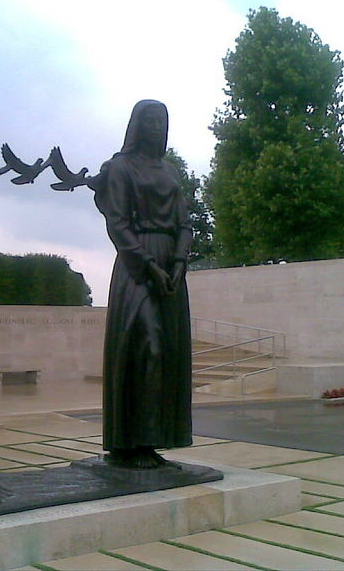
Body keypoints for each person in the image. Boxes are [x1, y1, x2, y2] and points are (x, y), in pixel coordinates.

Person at [93, 99, 193, 469]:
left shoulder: (170, 172)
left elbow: (184, 222)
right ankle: (128, 441)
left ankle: (154, 440)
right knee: (144, 346)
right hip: (138, 267)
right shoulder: (119, 168)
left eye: (161, 121)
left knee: (168, 351)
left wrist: (180, 262)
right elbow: (117, 224)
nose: (156, 127)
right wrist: (149, 265)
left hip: (171, 264)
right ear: (137, 125)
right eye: (149, 121)